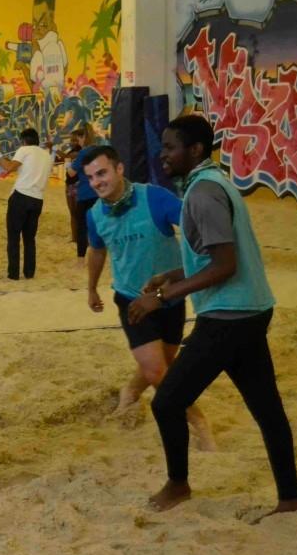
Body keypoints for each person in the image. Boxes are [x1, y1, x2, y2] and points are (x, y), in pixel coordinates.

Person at [128, 115, 297, 519]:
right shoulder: (212, 182)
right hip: (251, 309)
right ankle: (289, 500)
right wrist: (171, 274)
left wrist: (164, 297)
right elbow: (210, 257)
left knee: (167, 403)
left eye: (171, 147)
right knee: (267, 409)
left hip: (229, 317)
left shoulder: (203, 193)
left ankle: (178, 484)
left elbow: (224, 265)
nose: (163, 154)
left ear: (196, 151)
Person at [82, 146, 216, 448]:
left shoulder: (154, 198)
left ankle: (129, 392)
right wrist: (91, 288)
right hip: (131, 300)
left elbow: (197, 226)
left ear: (119, 169)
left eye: (101, 173)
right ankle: (198, 422)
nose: (96, 182)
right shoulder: (94, 215)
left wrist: (193, 270)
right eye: (90, 177)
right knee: (157, 371)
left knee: (163, 364)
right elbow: (97, 250)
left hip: (169, 296)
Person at [0, 127, 53, 280]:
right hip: (38, 199)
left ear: (24, 141)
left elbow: (8, 167)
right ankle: (29, 272)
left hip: (21, 196)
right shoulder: (47, 156)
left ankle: (13, 273)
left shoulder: (24, 150)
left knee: (13, 237)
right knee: (30, 238)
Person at [65, 124, 101, 267]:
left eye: (78, 138)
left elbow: (71, 173)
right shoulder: (99, 151)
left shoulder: (83, 153)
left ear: (82, 137)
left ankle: (81, 260)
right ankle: (98, 254)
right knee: (98, 225)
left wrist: (68, 164)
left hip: (85, 193)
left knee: (82, 227)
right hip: (99, 193)